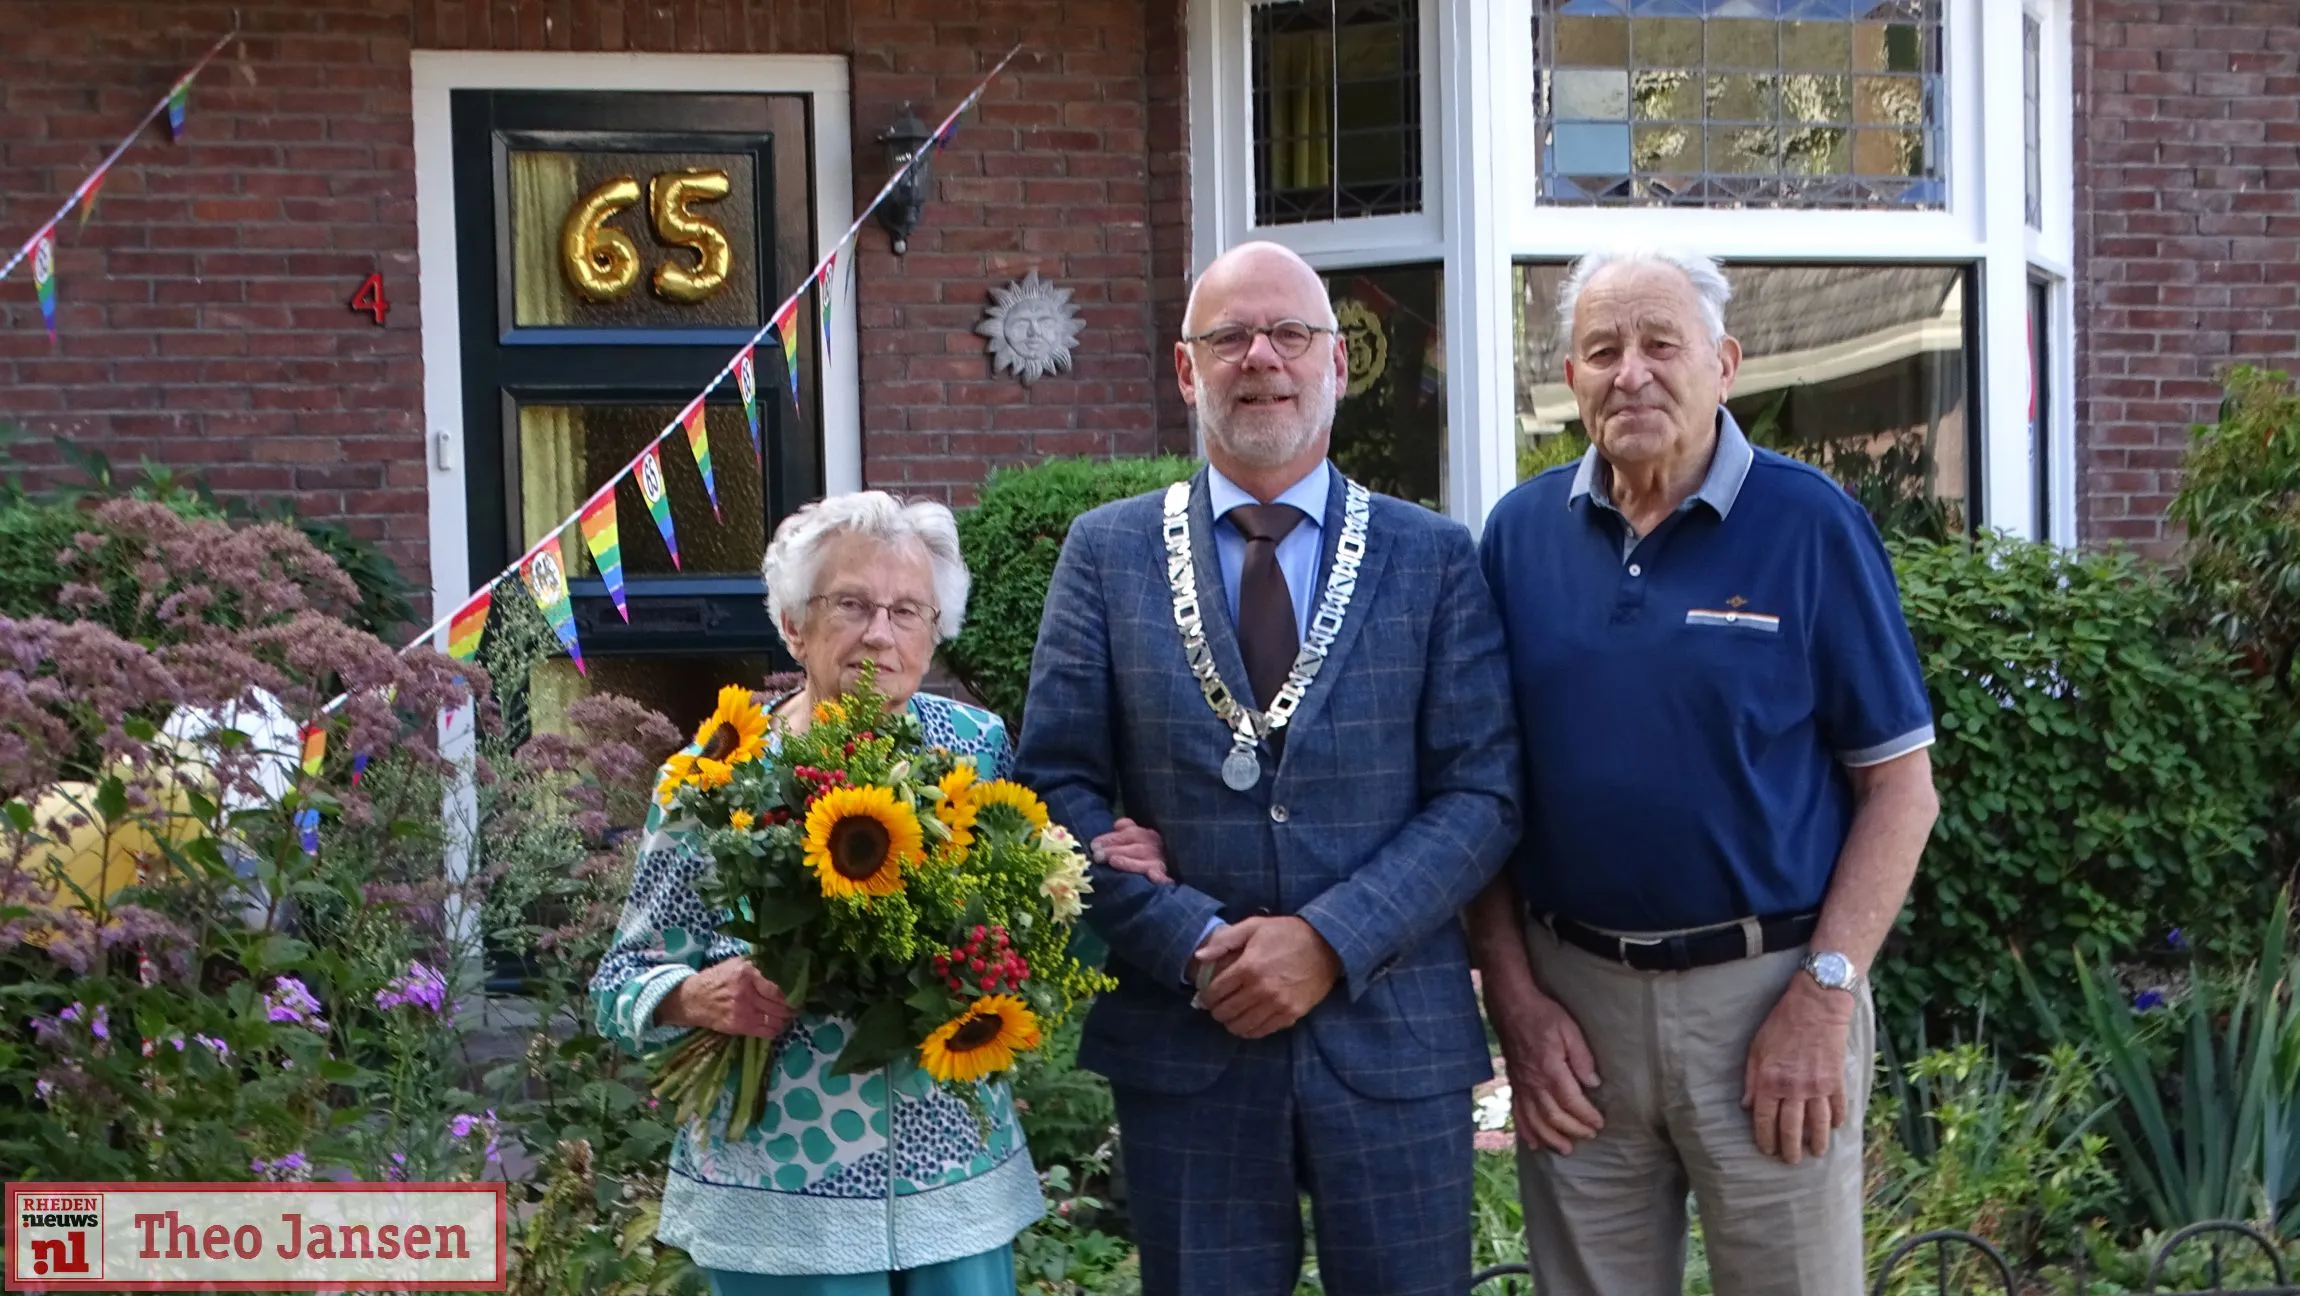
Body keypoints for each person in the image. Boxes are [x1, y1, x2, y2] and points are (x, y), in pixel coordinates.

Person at [1014, 241, 1521, 1296]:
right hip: (1188, 1033)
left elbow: (1482, 795)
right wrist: (1188, 938)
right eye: (1229, 337)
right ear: (1184, 369)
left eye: (1290, 334)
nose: (1261, 359)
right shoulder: (1103, 555)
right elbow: (1050, 789)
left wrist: (1328, 942)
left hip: (1390, 1040)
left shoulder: (1431, 556)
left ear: (1336, 365)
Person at [1469, 247, 1941, 1296]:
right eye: (1601, 350)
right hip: (1573, 1014)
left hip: (1765, 1002)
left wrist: (1823, 997)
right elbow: (1478, 799)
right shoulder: (1516, 540)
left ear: (1721, 364)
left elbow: (1898, 789)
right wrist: (1513, 996)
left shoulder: (1808, 525)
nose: (1629, 371)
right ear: (1570, 379)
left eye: (1658, 344)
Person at [590, 492, 1040, 1296]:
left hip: (953, 1178)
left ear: (936, 630)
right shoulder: (712, 774)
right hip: (785, 1190)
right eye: (852, 605)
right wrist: (693, 995)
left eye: (908, 610)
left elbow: (1015, 924)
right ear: (794, 625)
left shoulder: (977, 748)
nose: (880, 633)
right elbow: (619, 982)